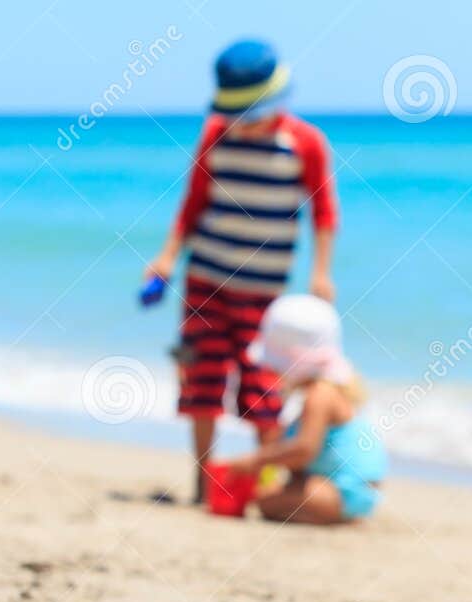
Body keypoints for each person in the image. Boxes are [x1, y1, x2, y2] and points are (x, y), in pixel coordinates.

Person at [142, 39, 338, 503]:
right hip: (205, 280)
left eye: (251, 117)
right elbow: (192, 205)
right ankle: (203, 483)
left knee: (262, 389)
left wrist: (321, 272)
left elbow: (324, 213)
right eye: (236, 117)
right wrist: (168, 256)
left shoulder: (304, 144)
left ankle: (262, 482)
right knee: (201, 380)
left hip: (263, 289)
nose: (242, 128)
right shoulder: (215, 134)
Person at [226, 294, 385, 525]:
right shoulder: (319, 393)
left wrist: (256, 460)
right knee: (271, 495)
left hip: (345, 491)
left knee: (266, 502)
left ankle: (338, 515)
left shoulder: (320, 395)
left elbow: (304, 450)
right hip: (329, 484)